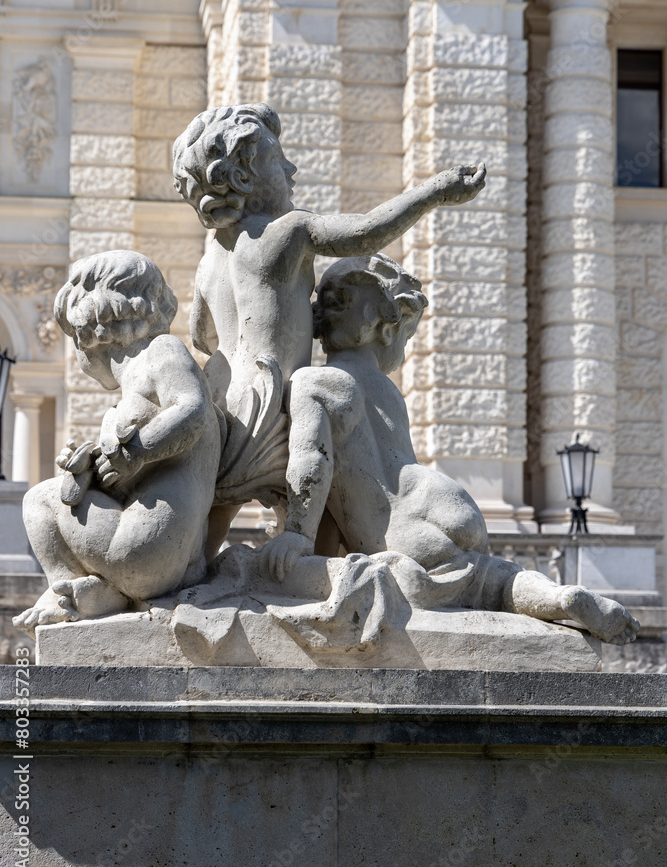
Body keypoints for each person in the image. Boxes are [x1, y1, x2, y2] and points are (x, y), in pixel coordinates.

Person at [262, 254, 640, 646]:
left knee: (260, 572)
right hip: (444, 500)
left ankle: (560, 599)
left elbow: (315, 462)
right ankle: (557, 596)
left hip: (402, 530)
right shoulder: (389, 393)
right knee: (492, 578)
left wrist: (297, 536)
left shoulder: (314, 382)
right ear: (386, 332)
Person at [173, 103, 485, 547]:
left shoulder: (209, 263)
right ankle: (300, 547)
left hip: (223, 405)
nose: (291, 167)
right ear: (243, 178)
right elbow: (363, 233)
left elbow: (201, 334)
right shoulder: (286, 233)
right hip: (274, 406)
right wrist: (435, 192)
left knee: (208, 530)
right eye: (278, 159)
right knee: (320, 493)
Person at [13, 251, 222, 634]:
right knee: (57, 492)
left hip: (147, 543)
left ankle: (60, 593)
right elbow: (127, 478)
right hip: (152, 545)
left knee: (38, 501)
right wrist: (85, 473)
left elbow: (193, 409)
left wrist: (137, 451)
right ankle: (97, 593)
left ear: (90, 330)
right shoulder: (125, 400)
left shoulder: (161, 352)